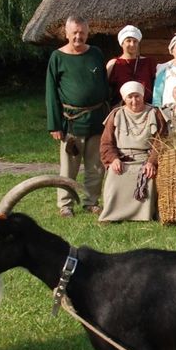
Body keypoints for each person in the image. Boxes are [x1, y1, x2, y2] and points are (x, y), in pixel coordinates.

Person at [46, 15, 109, 217]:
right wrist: (55, 125)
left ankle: (91, 202)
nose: (78, 37)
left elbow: (104, 83)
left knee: (96, 166)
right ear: (66, 33)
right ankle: (65, 204)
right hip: (71, 122)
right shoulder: (57, 57)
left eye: (82, 33)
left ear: (87, 33)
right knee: (69, 168)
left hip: (97, 119)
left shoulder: (96, 53)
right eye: (74, 33)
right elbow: (51, 93)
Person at [98, 81, 166, 222]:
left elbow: (161, 141)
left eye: (137, 96)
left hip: (145, 159)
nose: (134, 101)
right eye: (130, 97)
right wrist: (113, 159)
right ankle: (112, 214)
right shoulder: (116, 114)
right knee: (114, 177)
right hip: (122, 159)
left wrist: (152, 162)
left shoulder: (155, 113)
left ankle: (143, 215)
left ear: (142, 96)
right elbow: (106, 143)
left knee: (149, 177)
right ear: (124, 99)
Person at [106, 25, 155, 107]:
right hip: (122, 109)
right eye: (128, 41)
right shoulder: (114, 64)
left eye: (135, 41)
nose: (132, 44)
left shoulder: (148, 62)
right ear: (122, 43)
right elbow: (106, 89)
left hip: (146, 108)